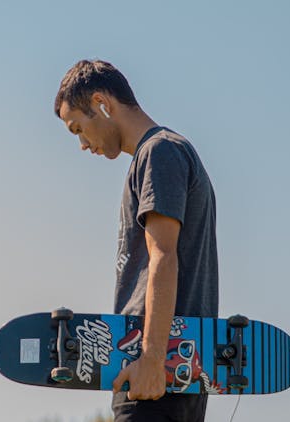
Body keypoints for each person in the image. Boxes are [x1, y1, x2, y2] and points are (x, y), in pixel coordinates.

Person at [54, 60, 218, 422]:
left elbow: (163, 255)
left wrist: (152, 358)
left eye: (78, 128)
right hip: (174, 375)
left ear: (102, 103)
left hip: (154, 376)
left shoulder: (159, 152)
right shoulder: (165, 153)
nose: (82, 143)